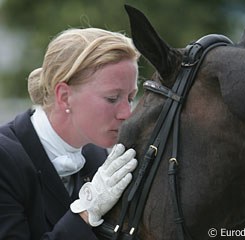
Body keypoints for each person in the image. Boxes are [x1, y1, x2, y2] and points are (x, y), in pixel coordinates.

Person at [0, 27, 140, 239]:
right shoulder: (4, 159)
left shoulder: (97, 157)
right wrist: (87, 209)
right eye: (112, 98)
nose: (127, 113)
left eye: (130, 98)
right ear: (64, 96)